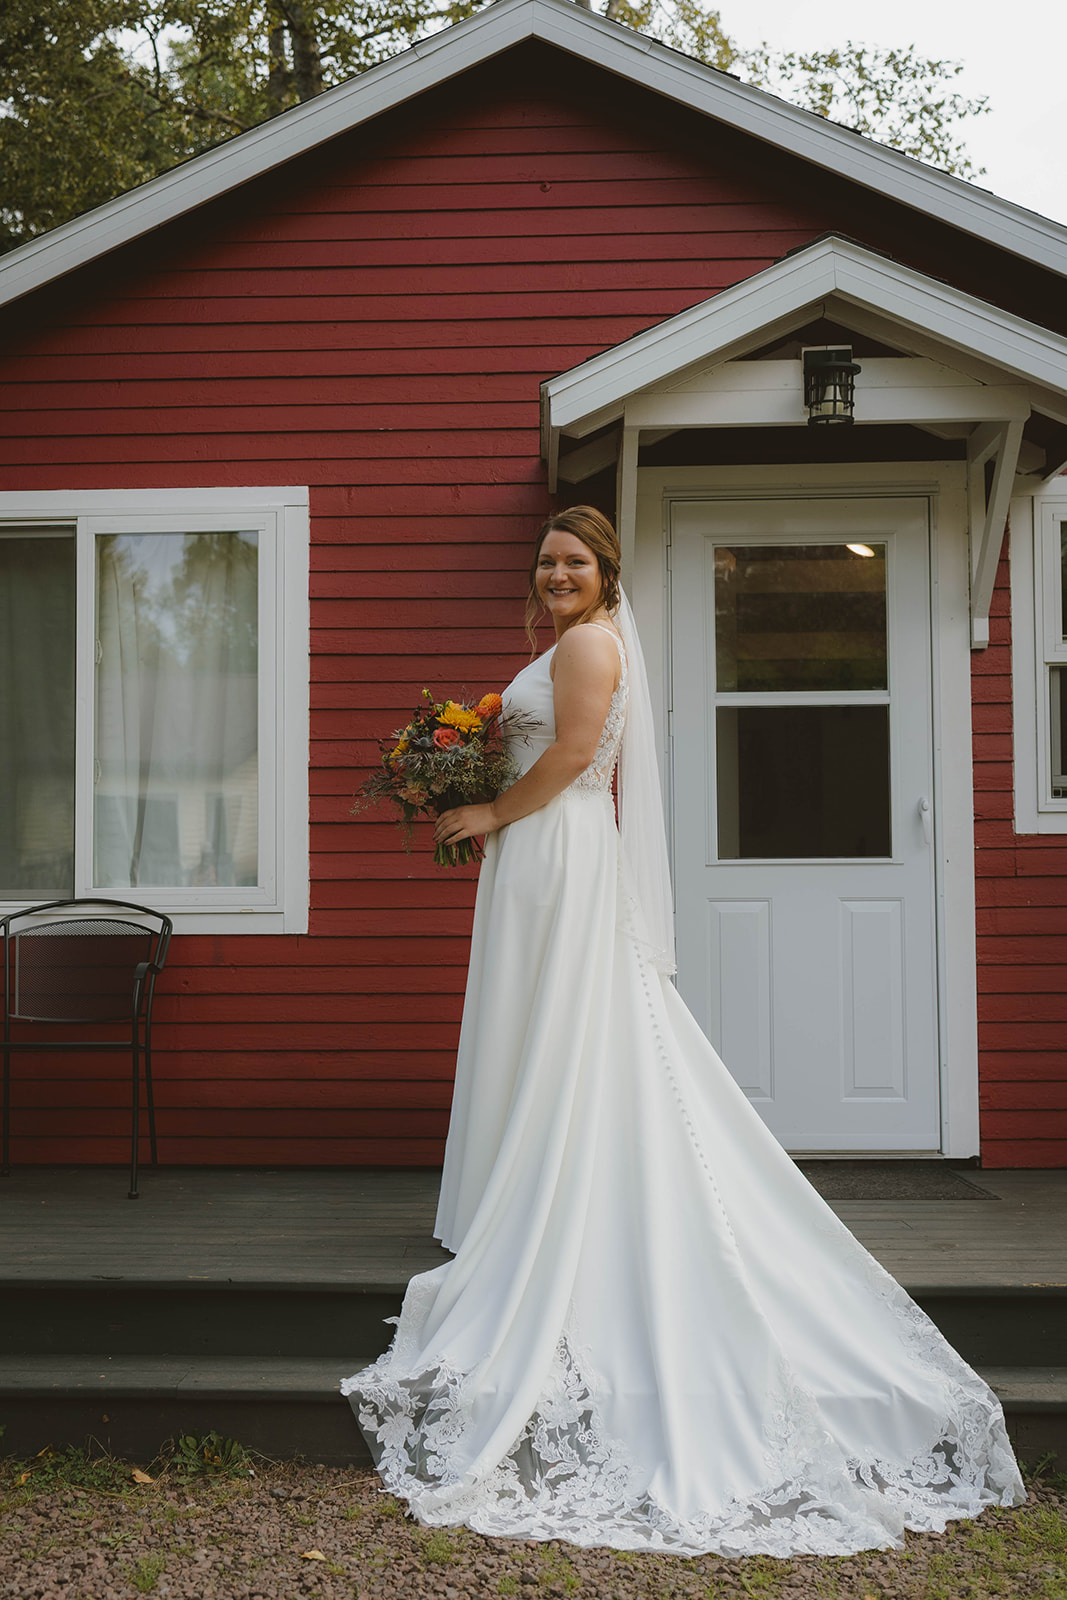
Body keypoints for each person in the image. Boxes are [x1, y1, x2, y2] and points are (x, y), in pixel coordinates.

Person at [342, 506, 1024, 1557]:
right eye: (545, 560)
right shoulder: (577, 640)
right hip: (550, 852)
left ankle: (541, 1197)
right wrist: (461, 771)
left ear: (603, 572)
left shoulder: (583, 644)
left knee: (562, 1029)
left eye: (572, 560)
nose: (554, 571)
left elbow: (572, 754)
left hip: (556, 849)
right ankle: (524, 1184)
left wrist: (482, 812)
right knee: (552, 1031)